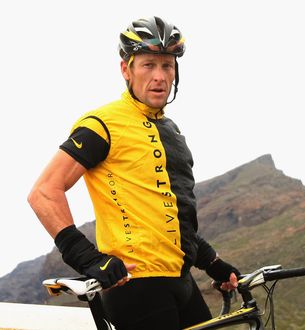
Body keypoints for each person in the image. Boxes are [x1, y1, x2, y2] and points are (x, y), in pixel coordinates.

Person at [28, 16, 240, 330]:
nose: (159, 76)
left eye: (167, 66)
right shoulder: (103, 123)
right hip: (135, 284)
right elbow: (44, 192)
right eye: (148, 65)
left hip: (180, 280)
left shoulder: (172, 130)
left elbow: (169, 209)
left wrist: (211, 262)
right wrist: (87, 258)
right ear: (126, 69)